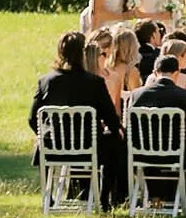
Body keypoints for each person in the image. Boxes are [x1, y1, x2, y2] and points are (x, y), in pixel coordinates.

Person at [29, 29, 123, 207]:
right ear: (83, 53)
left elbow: (33, 118)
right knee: (116, 141)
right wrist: (113, 128)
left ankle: (48, 197)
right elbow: (111, 119)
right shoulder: (94, 82)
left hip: (54, 145)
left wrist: (47, 134)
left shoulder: (47, 81)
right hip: (88, 143)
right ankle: (104, 197)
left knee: (42, 140)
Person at [130, 54, 186, 199]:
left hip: (142, 153)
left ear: (155, 72)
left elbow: (131, 129)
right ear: (177, 73)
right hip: (177, 154)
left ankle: (152, 197)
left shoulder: (137, 95)